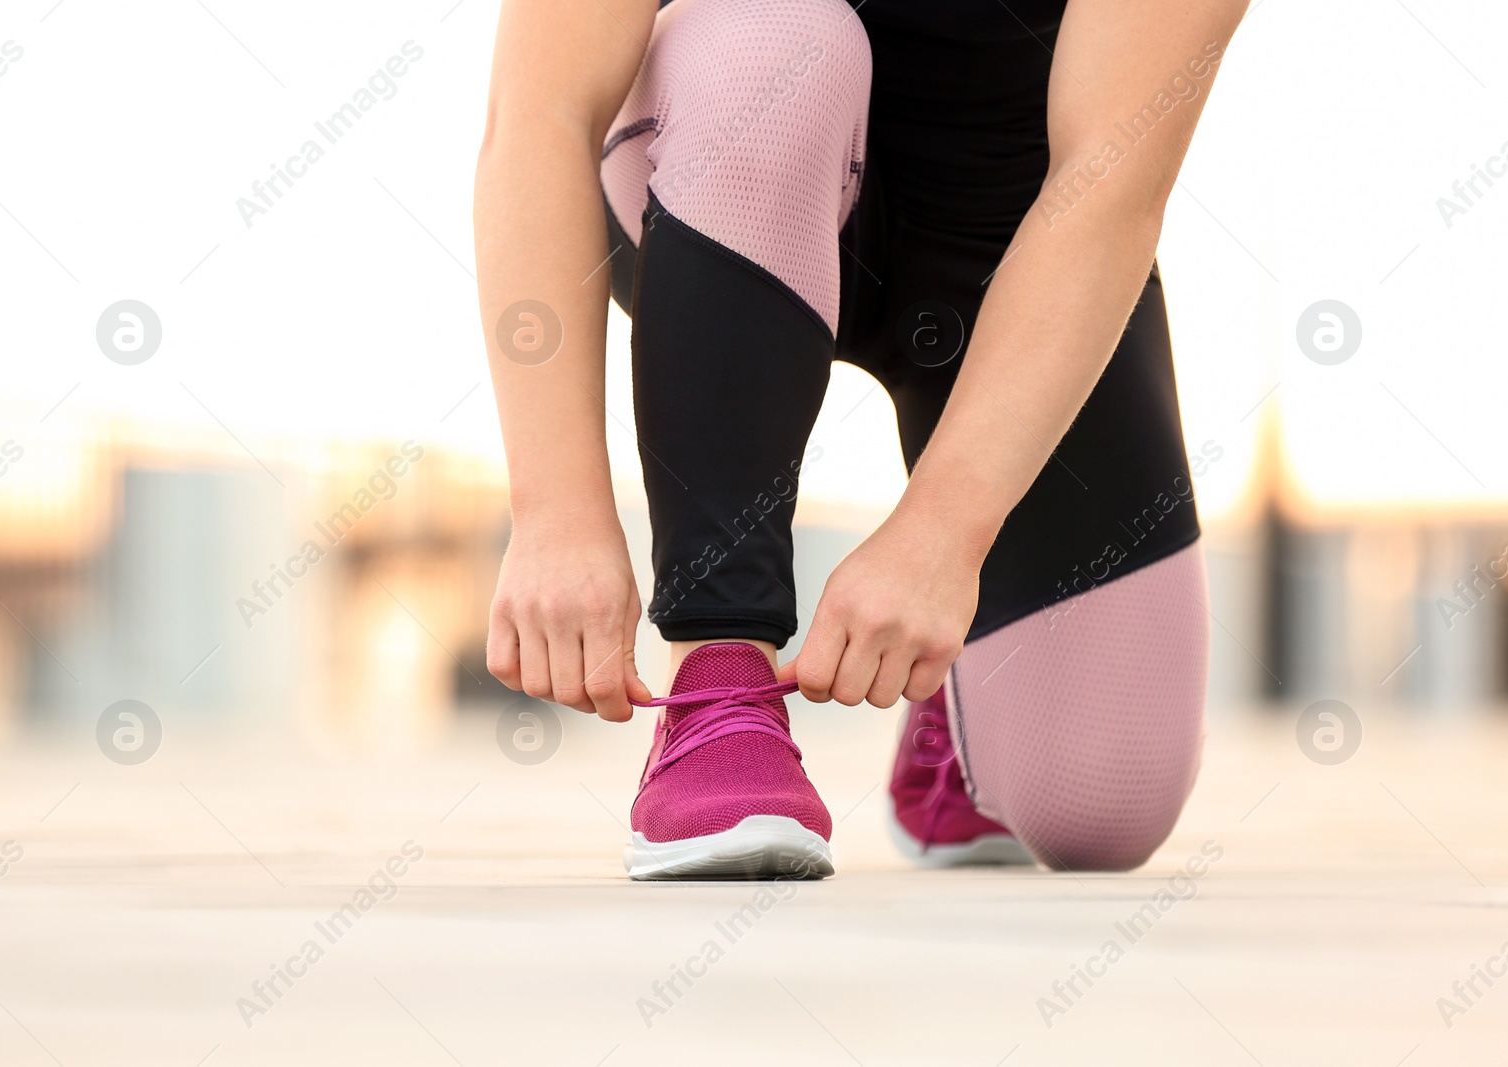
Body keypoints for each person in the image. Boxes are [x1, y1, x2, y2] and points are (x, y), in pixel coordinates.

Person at [476, 0, 1247, 879]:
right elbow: (538, 116)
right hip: (722, 170)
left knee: (1099, 806)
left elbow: (1108, 183)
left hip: (1010, 246)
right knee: (784, 40)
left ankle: (956, 694)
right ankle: (719, 687)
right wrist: (556, 512)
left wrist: (942, 541)